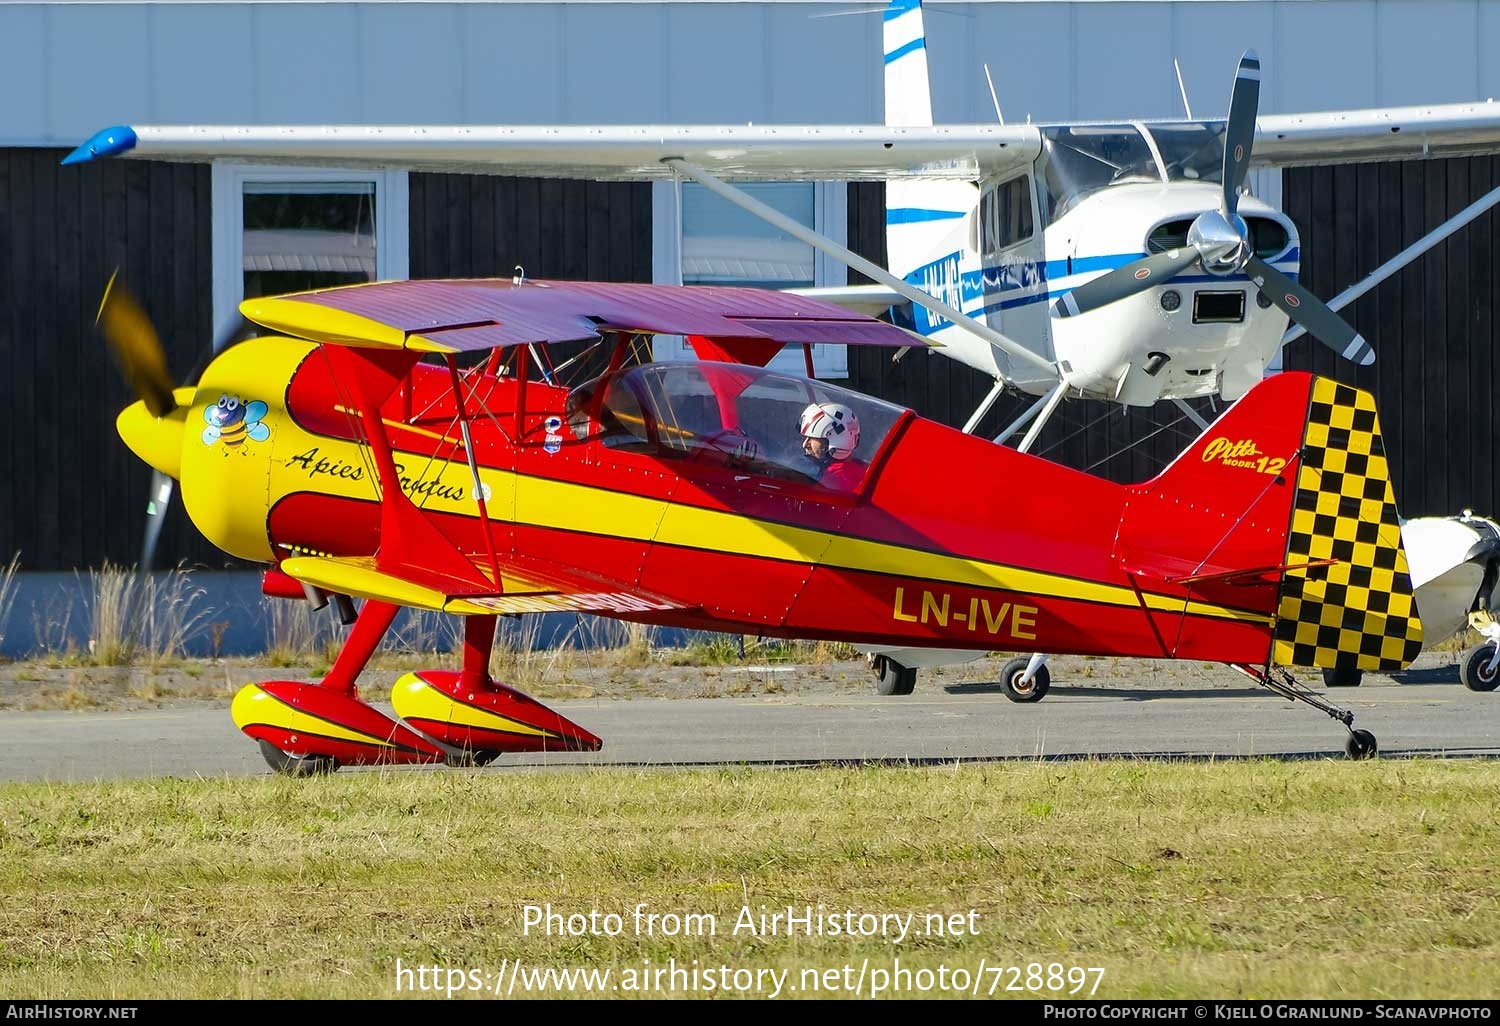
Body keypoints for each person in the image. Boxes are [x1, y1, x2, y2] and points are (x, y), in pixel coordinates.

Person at [798, 401, 866, 490]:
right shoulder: (861, 470)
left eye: (812, 438)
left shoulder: (832, 481)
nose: (805, 445)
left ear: (835, 440)